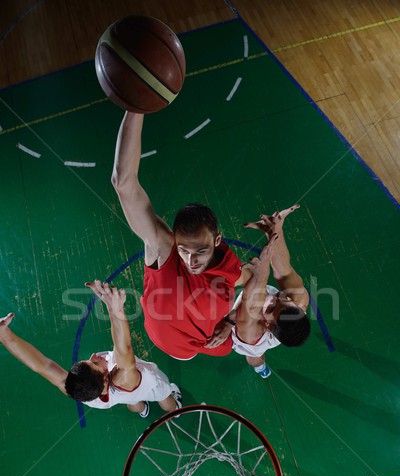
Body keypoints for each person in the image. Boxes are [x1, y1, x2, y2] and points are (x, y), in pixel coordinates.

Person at [111, 112, 249, 360]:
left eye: (200, 251)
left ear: (217, 240)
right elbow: (123, 183)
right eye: (184, 249)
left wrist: (230, 320)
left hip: (207, 340)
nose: (190, 260)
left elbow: (255, 278)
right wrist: (136, 107)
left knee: (232, 345)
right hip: (175, 345)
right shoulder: (165, 250)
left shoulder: (230, 266)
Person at [0, 280, 182, 418]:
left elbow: (41, 366)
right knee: (165, 395)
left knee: (134, 403)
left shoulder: (80, 389)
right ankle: (175, 409)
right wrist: (114, 308)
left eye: (89, 359)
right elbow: (124, 348)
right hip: (148, 387)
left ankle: (142, 410)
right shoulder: (123, 378)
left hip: (129, 397)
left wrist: (5, 336)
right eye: (96, 362)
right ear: (105, 379)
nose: (95, 355)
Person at [229, 205, 311, 378]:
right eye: (285, 299)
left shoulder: (253, 333)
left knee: (253, 357)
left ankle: (259, 367)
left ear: (268, 325)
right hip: (259, 313)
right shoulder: (300, 299)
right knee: (253, 274)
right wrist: (275, 232)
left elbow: (248, 303)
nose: (274, 299)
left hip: (246, 331)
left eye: (272, 308)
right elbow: (284, 270)